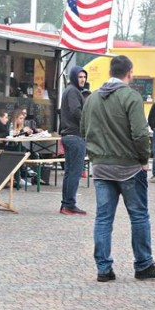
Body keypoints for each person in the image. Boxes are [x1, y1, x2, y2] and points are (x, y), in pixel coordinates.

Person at [81, 55, 155, 282]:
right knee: (138, 216)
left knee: (103, 219)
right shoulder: (131, 96)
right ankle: (143, 264)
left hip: (101, 168)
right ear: (129, 72)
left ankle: (103, 269)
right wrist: (143, 159)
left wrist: (96, 154)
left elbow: (83, 130)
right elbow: (140, 133)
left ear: (110, 71)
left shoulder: (91, 99)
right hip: (129, 166)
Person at [59, 66, 88, 215]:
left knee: (70, 172)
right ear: (74, 77)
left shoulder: (71, 91)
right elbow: (76, 111)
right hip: (75, 136)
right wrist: (88, 122)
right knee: (74, 172)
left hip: (70, 136)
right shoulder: (73, 91)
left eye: (84, 77)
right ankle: (69, 204)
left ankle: (66, 204)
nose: (82, 79)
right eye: (80, 77)